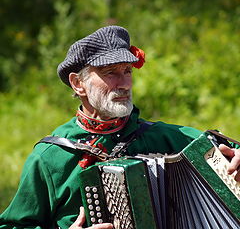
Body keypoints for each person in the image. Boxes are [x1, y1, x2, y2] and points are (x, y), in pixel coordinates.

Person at [0, 25, 239, 229]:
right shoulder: (50, 158)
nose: (124, 83)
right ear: (78, 83)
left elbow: (227, 151)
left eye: (127, 71)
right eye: (110, 72)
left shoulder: (168, 138)